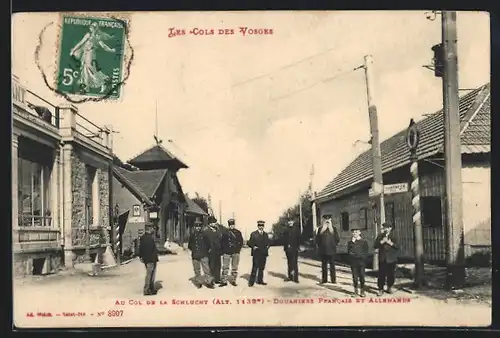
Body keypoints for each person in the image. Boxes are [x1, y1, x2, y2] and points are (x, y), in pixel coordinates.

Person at [69, 22, 117, 94]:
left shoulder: (98, 37)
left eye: (94, 27)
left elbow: (104, 46)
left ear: (96, 28)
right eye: (91, 27)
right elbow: (81, 43)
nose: (92, 28)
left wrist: (111, 50)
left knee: (89, 67)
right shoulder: (88, 35)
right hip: (85, 53)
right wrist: (73, 50)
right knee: (85, 69)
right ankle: (86, 87)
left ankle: (103, 81)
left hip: (90, 53)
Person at [187, 217, 215, 289]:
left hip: (204, 254)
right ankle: (198, 283)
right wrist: (194, 250)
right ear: (194, 227)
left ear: (201, 227)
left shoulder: (204, 234)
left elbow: (209, 244)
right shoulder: (192, 235)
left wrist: (205, 251)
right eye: (196, 226)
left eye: (199, 226)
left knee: (206, 269)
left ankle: (209, 282)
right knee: (197, 270)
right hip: (195, 255)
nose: (198, 228)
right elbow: (189, 245)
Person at [374, 222, 399, 296]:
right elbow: (375, 246)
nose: (386, 229)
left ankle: (389, 287)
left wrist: (390, 243)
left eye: (387, 228)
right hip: (382, 258)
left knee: (391, 274)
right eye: (384, 228)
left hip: (391, 259)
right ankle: (380, 289)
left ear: (390, 228)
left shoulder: (394, 236)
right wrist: (382, 242)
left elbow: (398, 246)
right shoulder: (380, 236)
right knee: (381, 275)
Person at [315, 214, 340, 284]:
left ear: (330, 220)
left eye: (328, 220)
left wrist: (334, 245)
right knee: (324, 266)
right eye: (326, 220)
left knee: (332, 266)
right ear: (323, 221)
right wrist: (320, 246)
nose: (327, 221)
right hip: (323, 251)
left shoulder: (334, 229)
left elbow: (337, 239)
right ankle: (324, 279)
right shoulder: (320, 229)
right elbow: (317, 240)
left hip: (331, 251)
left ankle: (333, 280)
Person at [220, 218, 244, 287]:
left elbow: (241, 242)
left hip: (235, 252)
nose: (231, 226)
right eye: (230, 225)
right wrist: (224, 250)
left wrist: (238, 250)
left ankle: (233, 280)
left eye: (232, 224)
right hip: (227, 252)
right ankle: (224, 281)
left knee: (234, 267)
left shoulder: (238, 232)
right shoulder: (225, 232)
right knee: (225, 267)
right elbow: (222, 242)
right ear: (228, 225)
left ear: (234, 225)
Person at [247, 220, 270, 287]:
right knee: (255, 268)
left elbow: (268, 243)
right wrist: (253, 246)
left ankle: (260, 281)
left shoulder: (265, 234)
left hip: (263, 254)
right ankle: (251, 282)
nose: (261, 227)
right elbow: (249, 242)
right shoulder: (253, 234)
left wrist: (267, 247)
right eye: (260, 225)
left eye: (262, 226)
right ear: (258, 226)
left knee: (261, 268)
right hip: (256, 254)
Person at [347, 228, 369, 297]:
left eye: (356, 232)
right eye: (353, 232)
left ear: (359, 233)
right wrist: (353, 243)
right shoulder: (350, 242)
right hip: (354, 262)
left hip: (361, 262)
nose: (354, 233)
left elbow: (366, 252)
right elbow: (349, 252)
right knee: (355, 277)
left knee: (362, 276)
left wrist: (362, 257)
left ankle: (362, 290)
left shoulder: (364, 242)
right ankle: (355, 291)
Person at [138, 224, 159, 295]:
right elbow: (151, 249)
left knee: (151, 274)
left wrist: (141, 257)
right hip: (151, 259)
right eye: (153, 228)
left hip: (147, 259)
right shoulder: (150, 238)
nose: (154, 229)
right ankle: (147, 289)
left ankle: (151, 289)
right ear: (149, 229)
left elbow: (140, 248)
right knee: (150, 274)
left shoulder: (143, 238)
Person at [204, 216, 223, 284]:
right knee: (211, 265)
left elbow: (220, 239)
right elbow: (204, 242)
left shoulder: (218, 230)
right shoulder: (206, 231)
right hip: (210, 251)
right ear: (210, 223)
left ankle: (217, 278)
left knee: (218, 265)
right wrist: (207, 249)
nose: (215, 223)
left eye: (215, 222)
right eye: (214, 222)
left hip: (217, 251)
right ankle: (211, 280)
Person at [283, 218, 301, 283]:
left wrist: (298, 247)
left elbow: (299, 239)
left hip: (294, 249)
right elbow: (283, 239)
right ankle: (290, 277)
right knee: (289, 263)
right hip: (287, 249)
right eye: (289, 221)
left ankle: (296, 278)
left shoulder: (296, 230)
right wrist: (285, 246)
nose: (290, 223)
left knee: (295, 263)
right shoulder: (285, 230)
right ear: (288, 222)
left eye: (291, 221)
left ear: (293, 222)